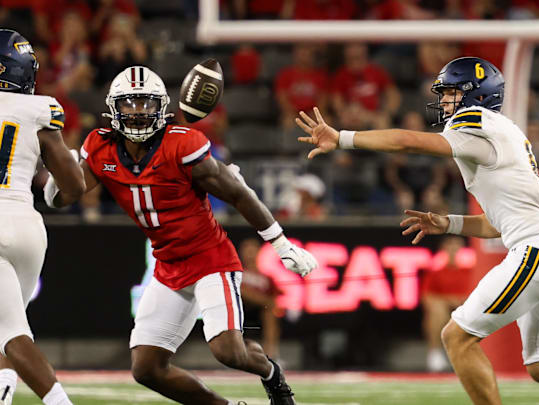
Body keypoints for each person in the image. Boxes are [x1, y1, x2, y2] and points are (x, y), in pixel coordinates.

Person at [296, 56, 539, 405]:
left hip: (537, 251)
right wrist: (447, 223)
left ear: (476, 95)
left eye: (451, 93)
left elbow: (409, 143)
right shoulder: (503, 133)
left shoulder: (477, 124)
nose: (444, 101)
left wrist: (344, 138)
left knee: (456, 336)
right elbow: (496, 223)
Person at [44, 66, 318, 405]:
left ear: (161, 108)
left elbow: (238, 193)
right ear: (114, 108)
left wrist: (280, 242)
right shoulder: (99, 147)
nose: (138, 113)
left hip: (210, 259)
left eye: (146, 104)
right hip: (167, 265)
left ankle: (270, 372)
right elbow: (63, 196)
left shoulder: (182, 143)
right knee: (146, 369)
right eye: (130, 104)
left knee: (228, 352)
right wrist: (59, 166)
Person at [0, 29, 85, 405]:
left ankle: (58, 402)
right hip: (28, 225)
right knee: (7, 323)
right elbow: (74, 186)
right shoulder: (40, 110)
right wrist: (54, 193)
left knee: (11, 330)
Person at [421, 235, 478, 372]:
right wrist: (448, 301)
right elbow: (427, 297)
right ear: (444, 249)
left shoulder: (472, 272)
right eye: (450, 245)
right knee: (436, 310)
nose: (453, 249)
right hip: (445, 312)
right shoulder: (436, 273)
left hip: (467, 309)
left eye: (456, 246)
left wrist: (460, 301)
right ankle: (435, 354)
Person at [238, 238, 281, 359]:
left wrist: (264, 302)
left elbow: (274, 300)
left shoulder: (267, 278)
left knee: (270, 313)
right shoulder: (237, 273)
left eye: (253, 250)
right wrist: (262, 300)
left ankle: (270, 355)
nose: (250, 254)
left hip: (258, 312)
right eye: (247, 251)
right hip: (239, 309)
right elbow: (239, 291)